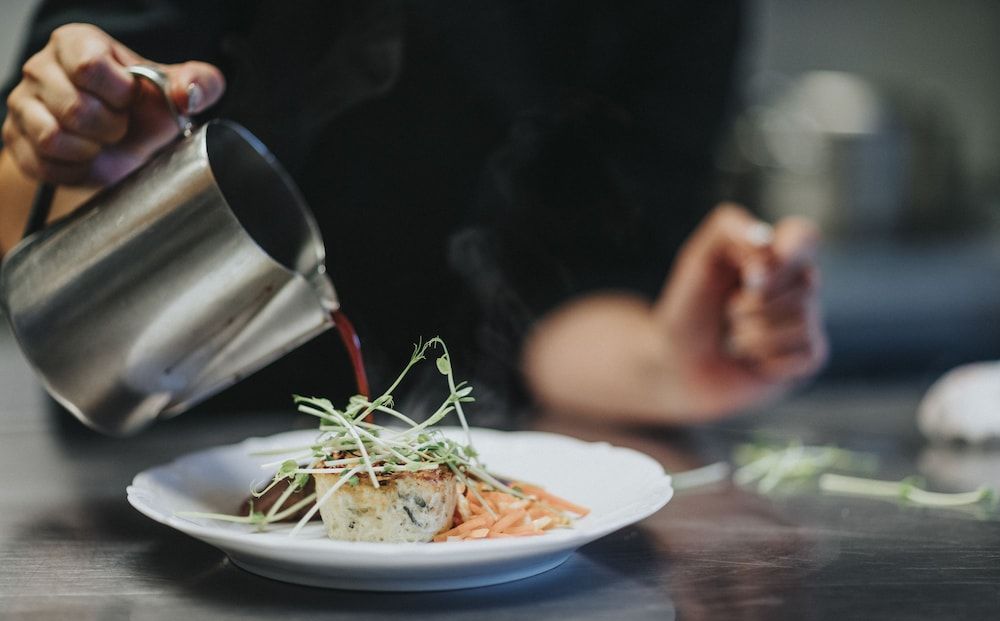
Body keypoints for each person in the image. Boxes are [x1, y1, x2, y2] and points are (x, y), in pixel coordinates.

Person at [0, 1, 826, 426]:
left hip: (480, 488)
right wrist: (89, 156)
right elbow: (14, 211)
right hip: (149, 473)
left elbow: (571, 306)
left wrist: (668, 365)